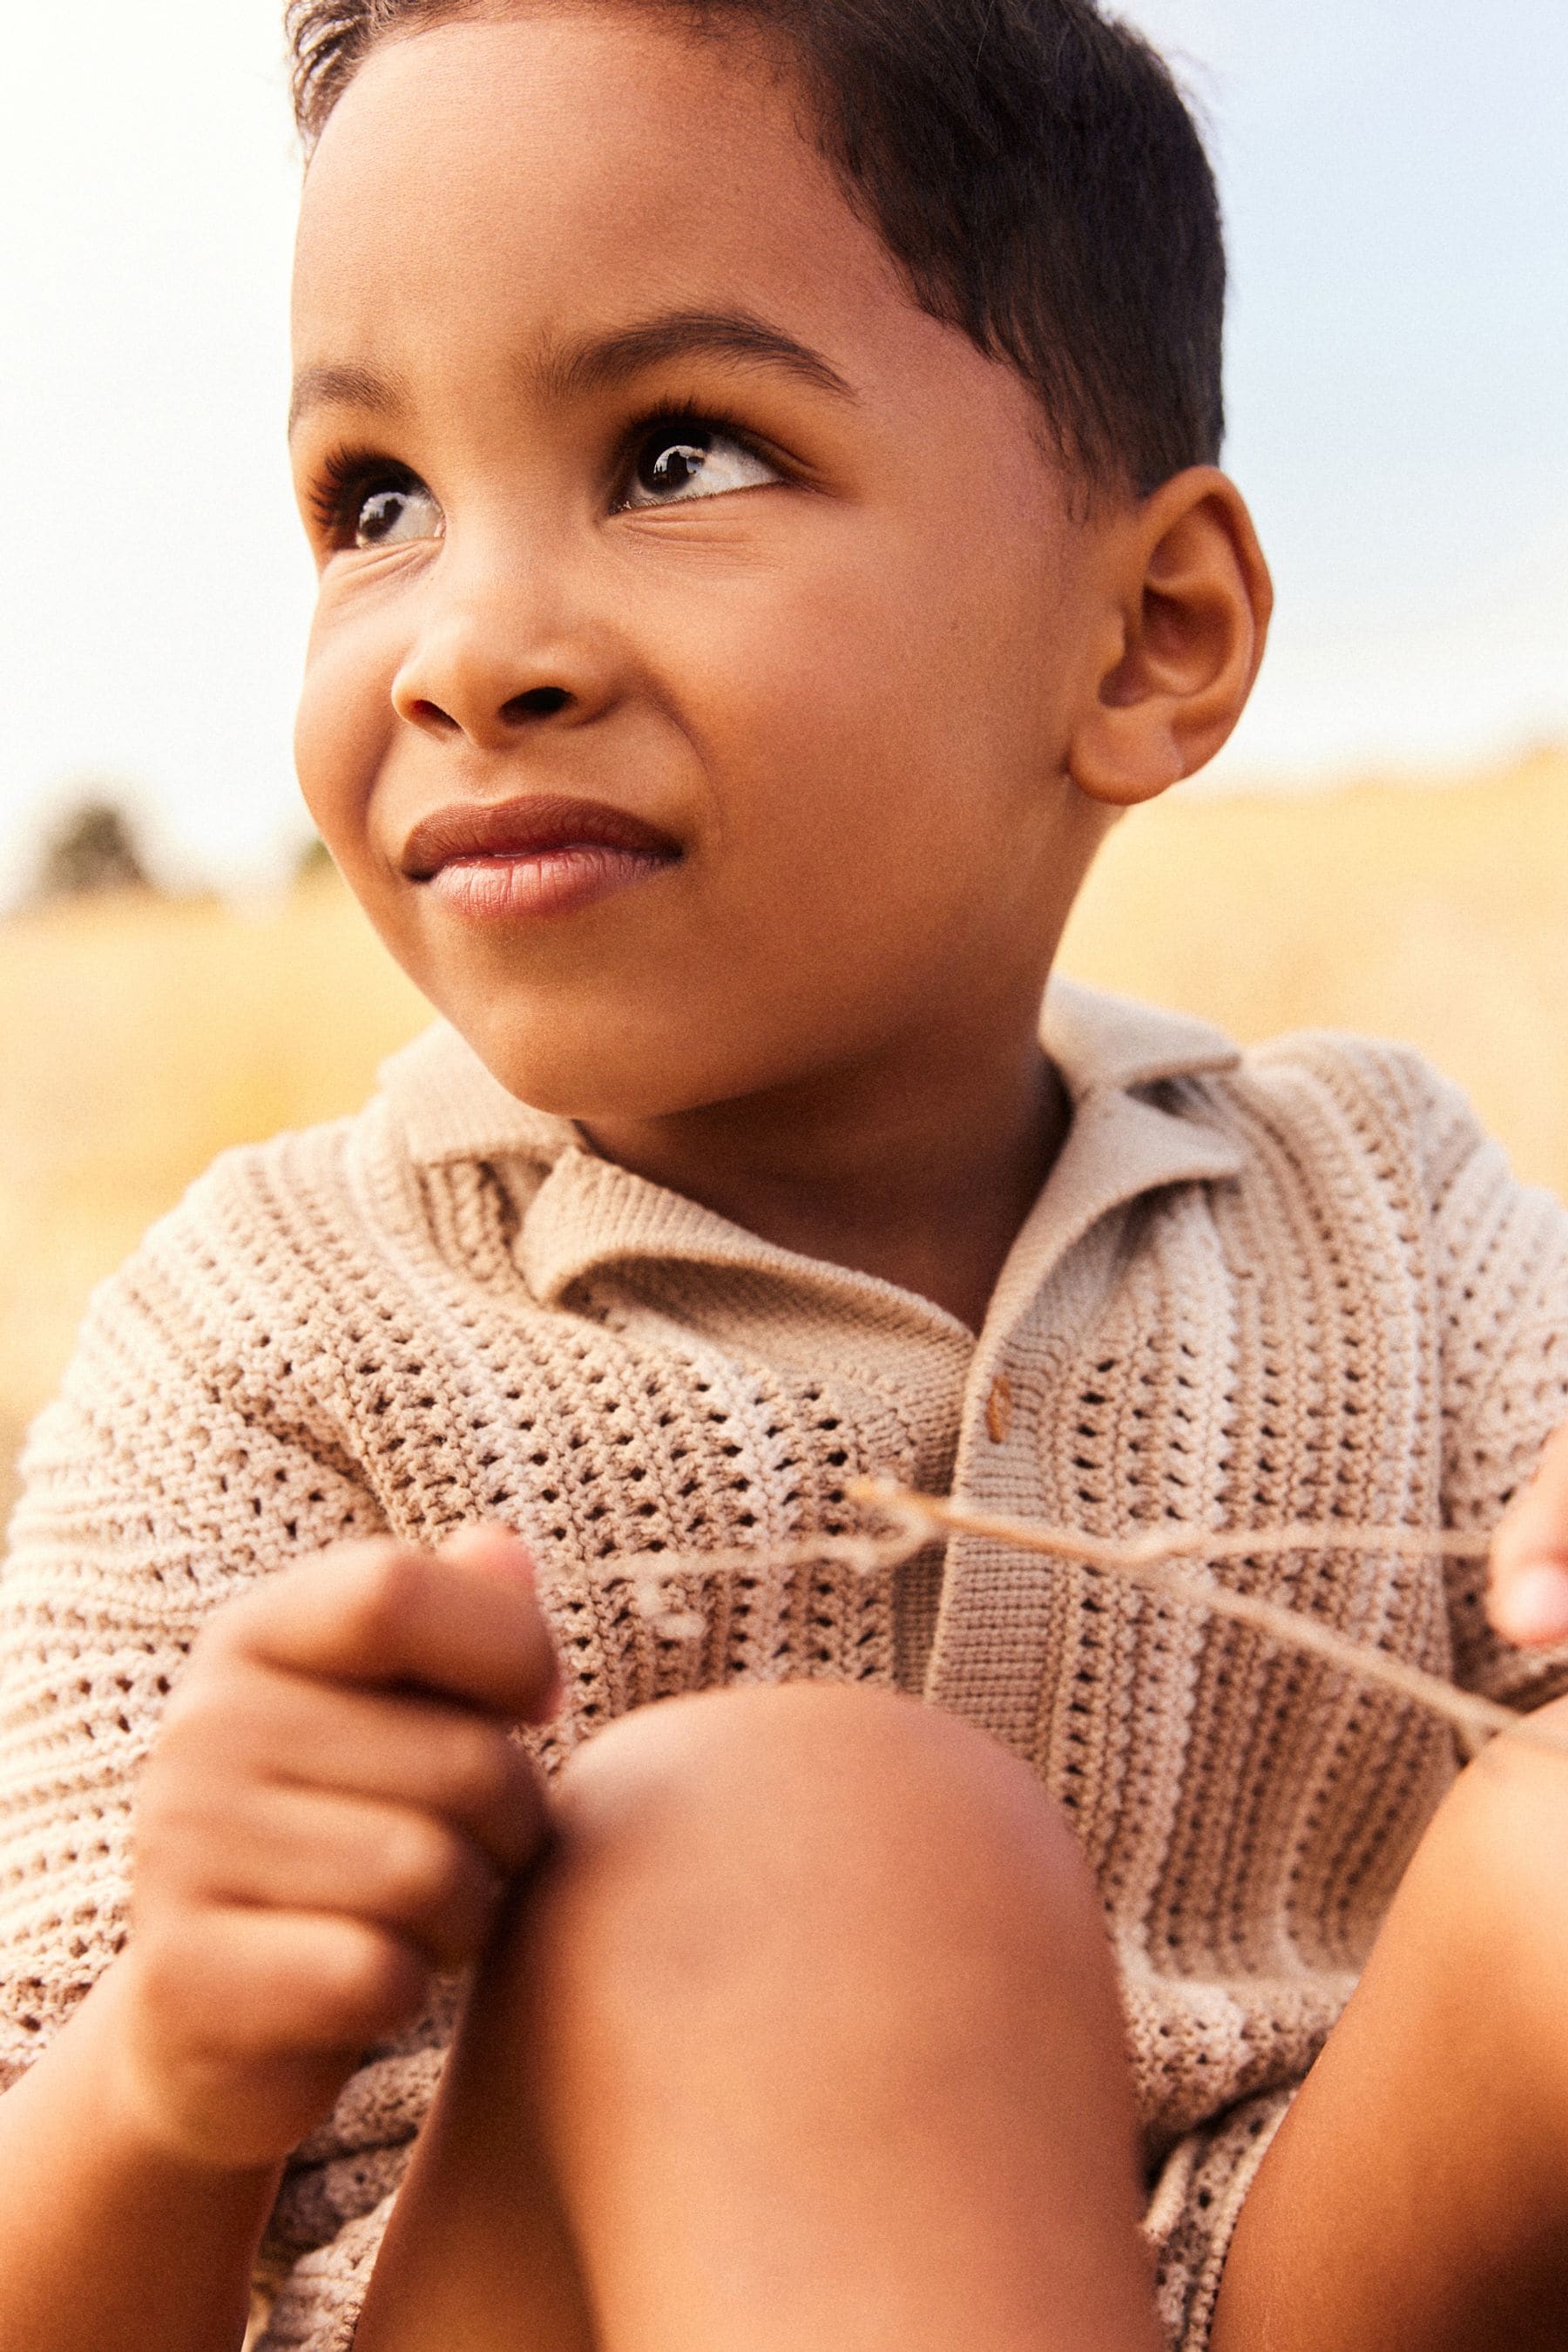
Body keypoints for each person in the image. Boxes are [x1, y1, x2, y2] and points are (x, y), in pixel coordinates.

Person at [3, 3, 1568, 2347]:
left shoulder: (1391, 1205)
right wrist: (173, 2067)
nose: (467, 648)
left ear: (1151, 636)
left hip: (1311, 2268)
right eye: (374, 503)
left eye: (674, 450)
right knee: (805, 1848)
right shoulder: (261, 1339)